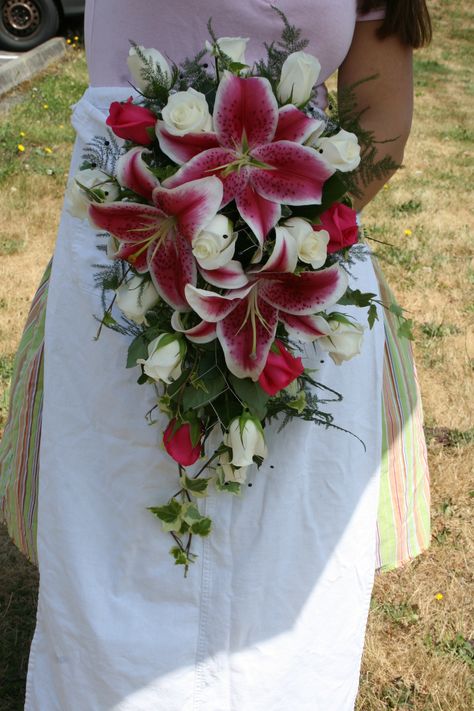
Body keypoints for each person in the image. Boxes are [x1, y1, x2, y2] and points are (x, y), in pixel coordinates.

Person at [0, 1, 432, 709]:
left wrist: (273, 241)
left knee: (280, 576)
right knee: (118, 551)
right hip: (121, 261)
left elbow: (384, 118)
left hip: (294, 281)